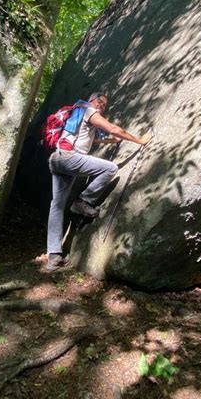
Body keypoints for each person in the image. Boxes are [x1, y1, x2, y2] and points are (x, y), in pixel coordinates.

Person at [46, 92, 153, 271]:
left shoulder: (78, 113)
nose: (102, 106)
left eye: (104, 105)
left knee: (56, 206)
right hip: (69, 158)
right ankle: (83, 201)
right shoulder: (88, 111)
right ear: (91, 100)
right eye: (100, 102)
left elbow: (93, 138)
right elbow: (113, 128)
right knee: (110, 168)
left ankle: (54, 256)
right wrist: (140, 140)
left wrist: (113, 141)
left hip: (58, 160)